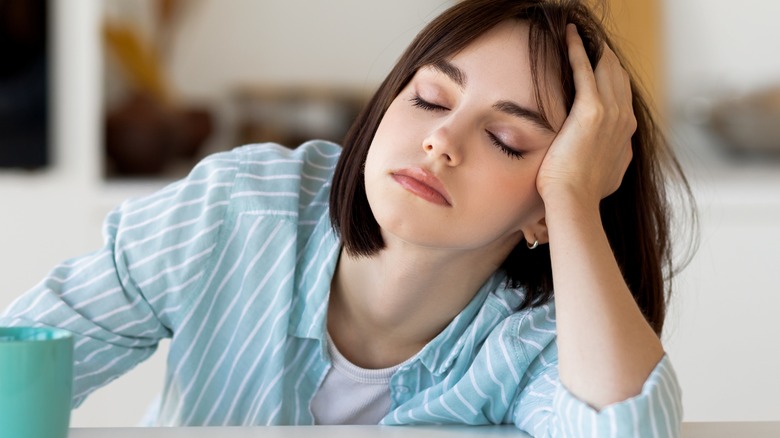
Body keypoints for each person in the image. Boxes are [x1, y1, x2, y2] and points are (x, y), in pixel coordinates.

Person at [0, 0, 694, 435]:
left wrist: (574, 200)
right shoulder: (236, 211)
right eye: (428, 98)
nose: (441, 141)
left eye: (506, 139)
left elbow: (625, 430)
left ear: (542, 212)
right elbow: (19, 365)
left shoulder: (534, 343)